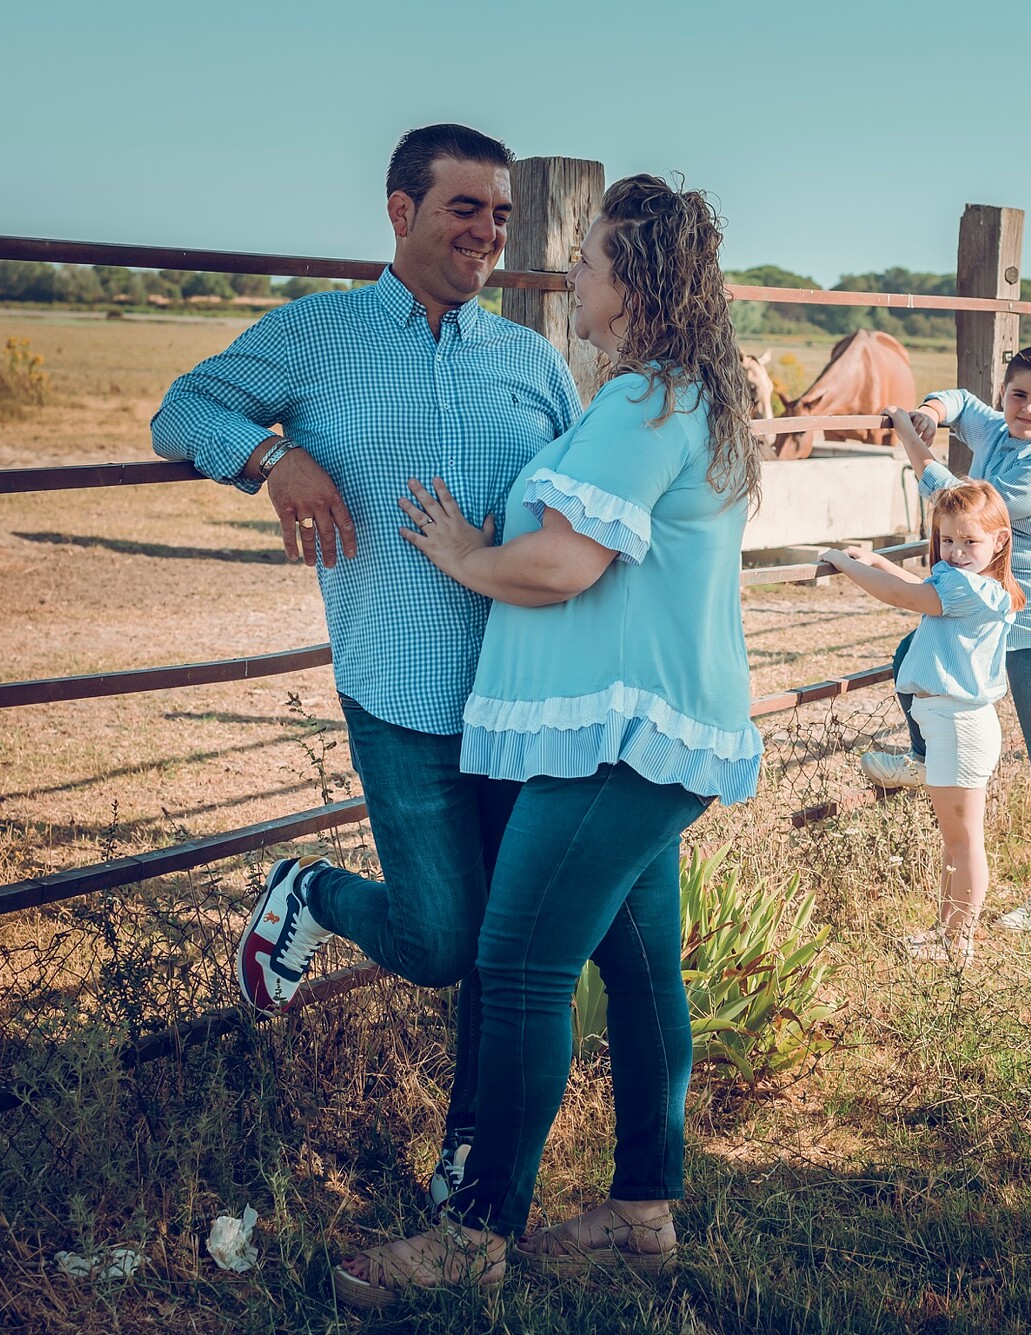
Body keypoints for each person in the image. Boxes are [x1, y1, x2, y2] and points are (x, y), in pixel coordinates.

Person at [325, 173, 763, 1304]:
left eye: (589, 262)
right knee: (636, 964)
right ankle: (641, 1210)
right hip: (643, 734)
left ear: (632, 283)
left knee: (518, 966)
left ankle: (472, 1238)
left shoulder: (640, 403)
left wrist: (463, 555)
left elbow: (567, 563)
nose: (571, 278)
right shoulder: (687, 395)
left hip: (612, 745)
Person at [150, 123, 583, 1207]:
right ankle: (309, 890)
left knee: (506, 952)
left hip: (523, 693)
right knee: (442, 941)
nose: (486, 232)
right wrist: (271, 456)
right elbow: (179, 410)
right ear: (399, 210)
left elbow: (584, 507)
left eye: (499, 213)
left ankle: (469, 1158)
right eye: (463, 208)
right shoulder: (317, 335)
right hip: (398, 688)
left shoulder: (529, 360)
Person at [861, 346, 1031, 932]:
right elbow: (963, 401)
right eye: (1019, 395)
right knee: (909, 658)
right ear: (1005, 396)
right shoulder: (998, 428)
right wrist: (933, 412)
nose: (1029, 409)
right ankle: (922, 756)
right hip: (987, 613)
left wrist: (912, 442)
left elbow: (964, 514)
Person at [824, 482, 1023, 964]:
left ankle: (959, 943)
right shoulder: (980, 584)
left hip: (958, 725)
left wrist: (847, 565)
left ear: (999, 541)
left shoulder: (966, 588)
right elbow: (919, 589)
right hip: (955, 723)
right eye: (947, 540)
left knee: (963, 840)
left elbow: (904, 596)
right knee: (954, 842)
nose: (954, 552)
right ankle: (947, 933)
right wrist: (874, 561)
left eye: (969, 542)